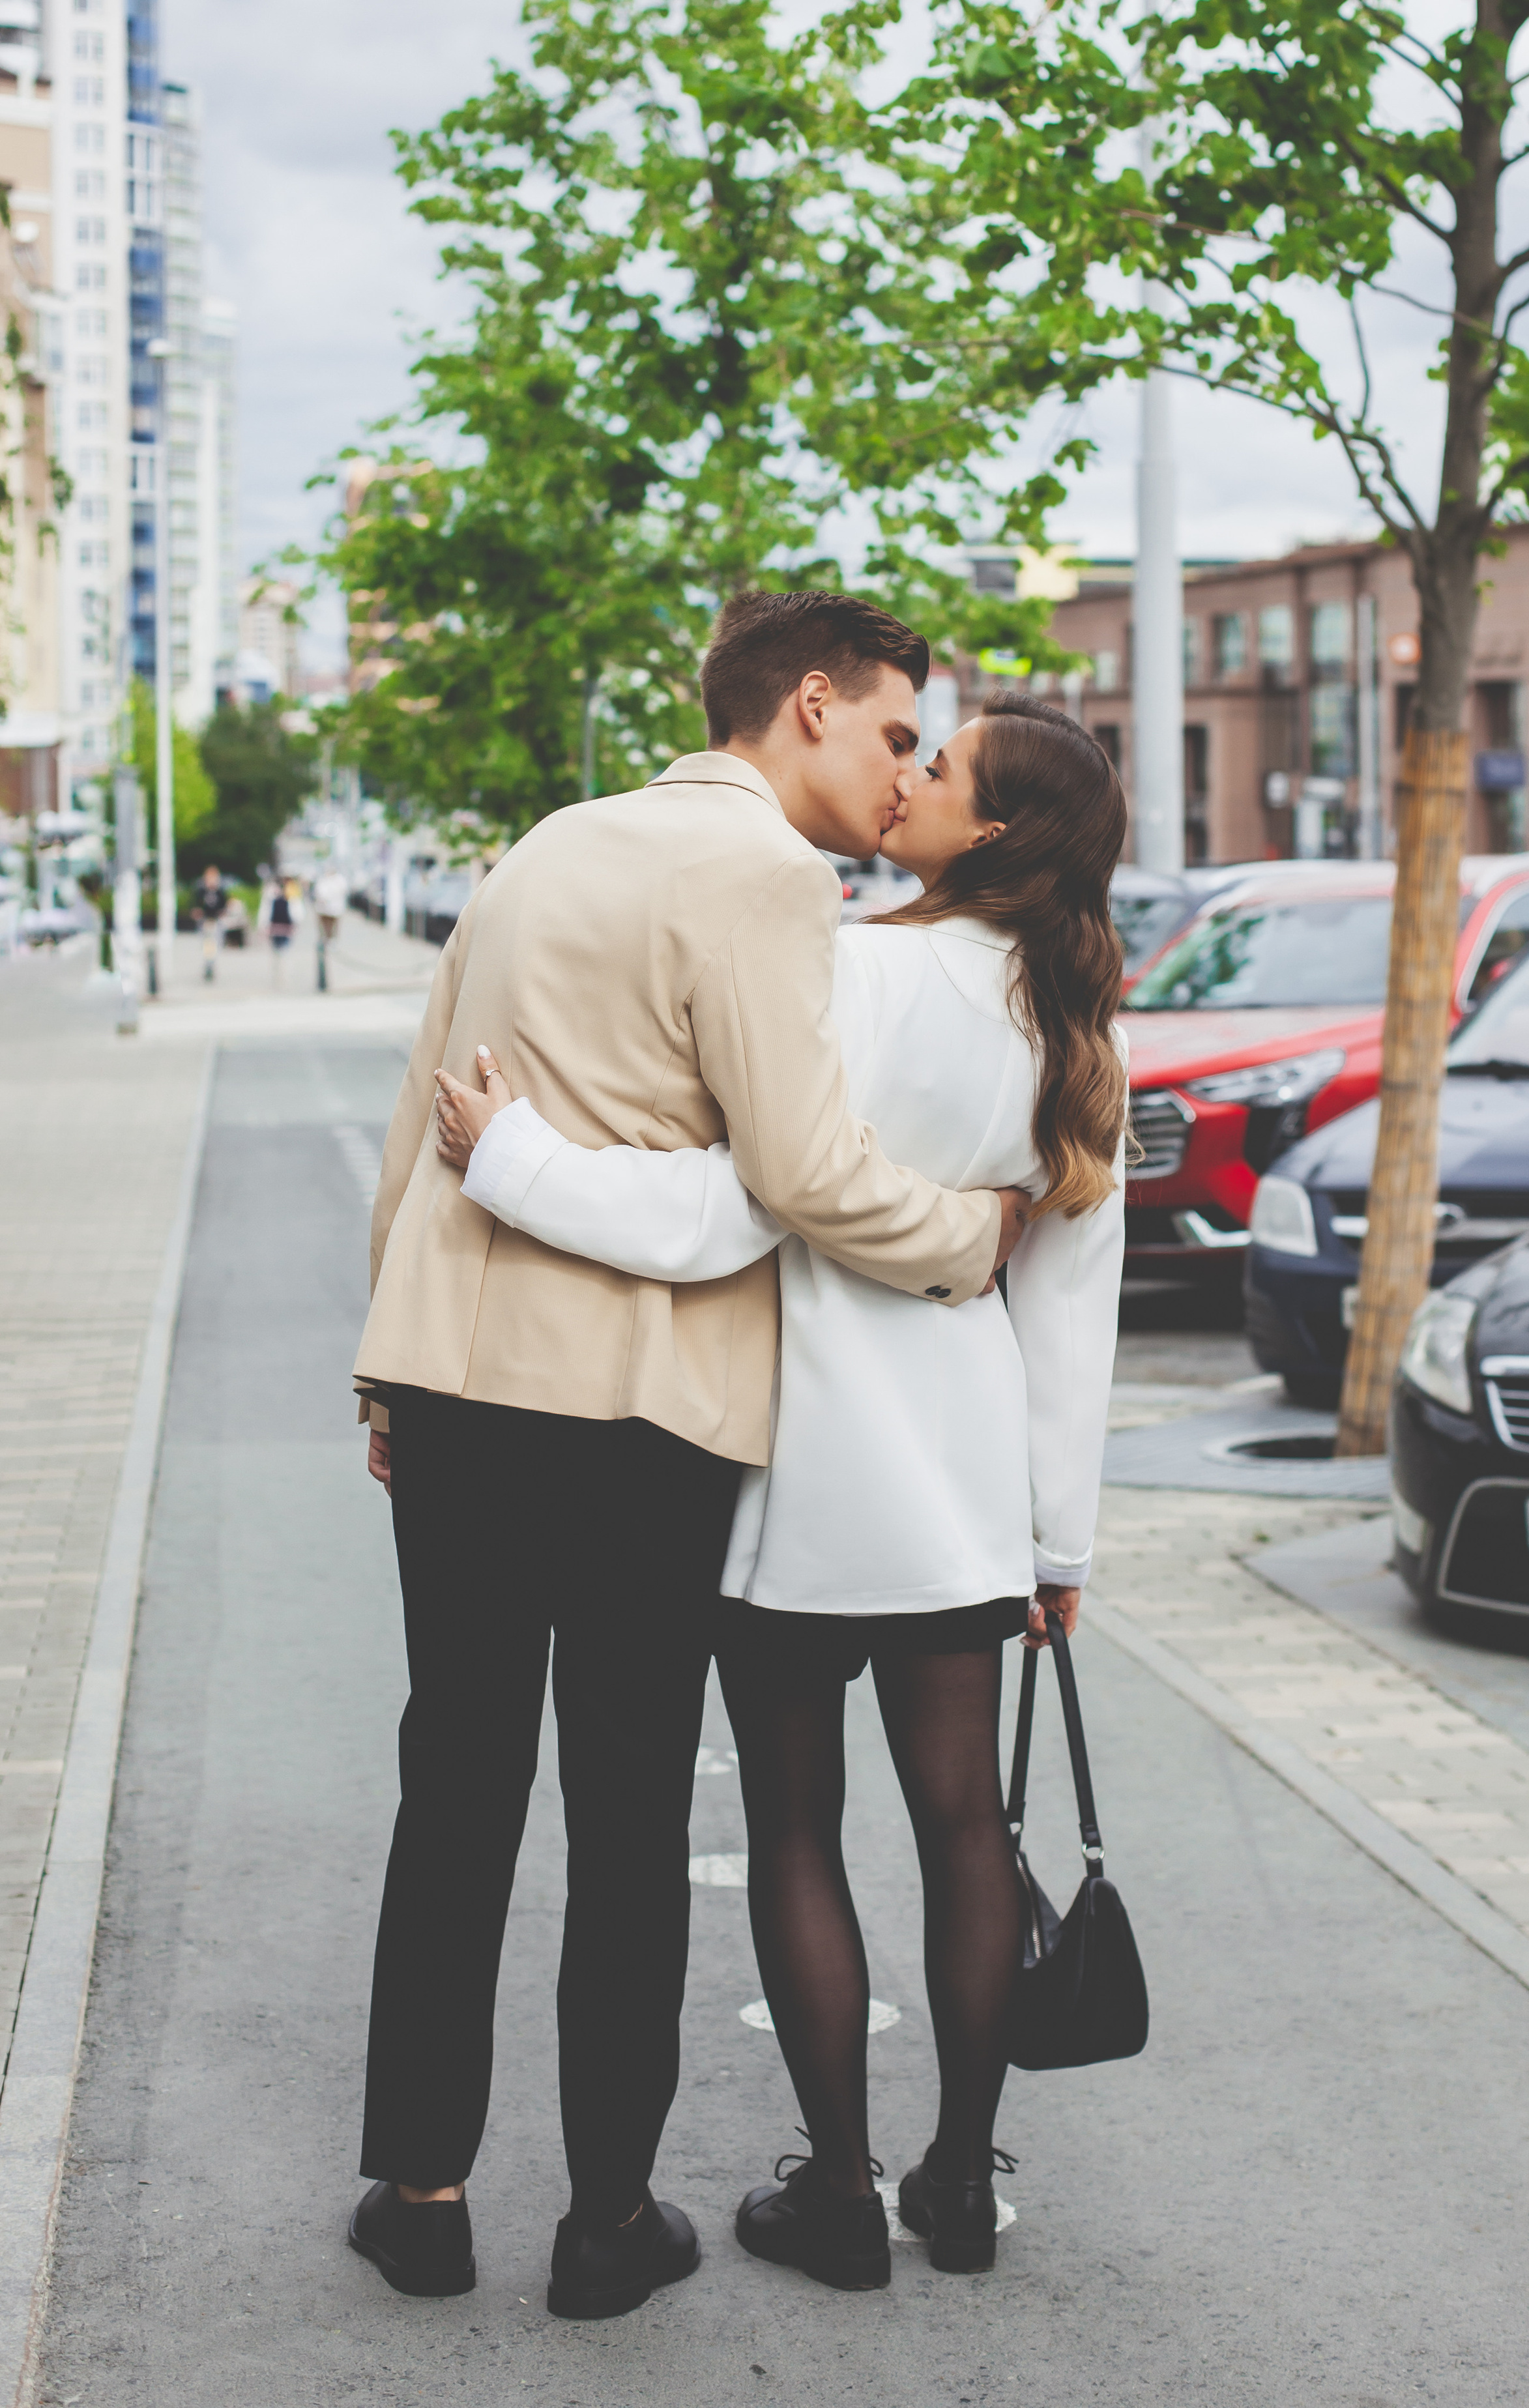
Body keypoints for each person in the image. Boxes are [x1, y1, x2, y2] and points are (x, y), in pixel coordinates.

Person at [345, 592, 1029, 2320]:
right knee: (630, 1802)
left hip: (454, 1382)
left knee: (457, 1783)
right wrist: (967, 1233)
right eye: (894, 731)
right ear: (808, 705)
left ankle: (419, 2192)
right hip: (639, 1410)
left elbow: (423, 1109)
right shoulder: (765, 880)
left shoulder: (543, 847)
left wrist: (385, 1365)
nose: (901, 775)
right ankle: (603, 2220)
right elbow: (800, 1172)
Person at [190, 864, 228, 983]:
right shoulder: (201, 891)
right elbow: (195, 906)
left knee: (215, 945)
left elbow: (224, 906)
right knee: (207, 945)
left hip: (216, 921)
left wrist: (222, 913)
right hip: (205, 922)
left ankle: (212, 965)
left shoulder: (220, 891)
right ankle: (208, 966)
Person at [313, 865, 348, 946]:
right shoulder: (323, 879)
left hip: (336, 908)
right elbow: (319, 892)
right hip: (324, 908)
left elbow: (343, 890)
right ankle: (326, 939)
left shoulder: (340, 879)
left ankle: (333, 940)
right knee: (325, 925)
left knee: (334, 925)